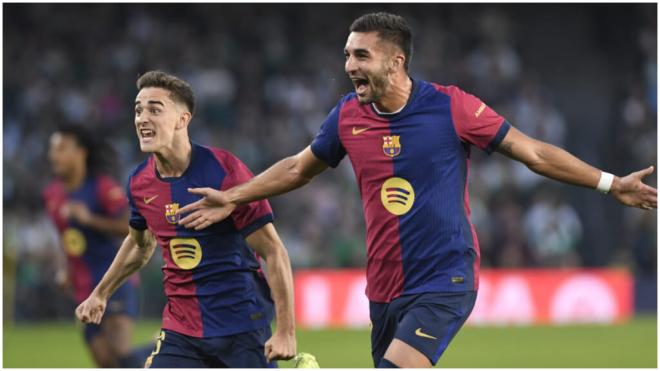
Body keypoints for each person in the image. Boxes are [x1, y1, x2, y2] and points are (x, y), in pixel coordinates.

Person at [176, 12, 658, 368]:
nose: (349, 65)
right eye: (346, 54)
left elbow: (532, 152)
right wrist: (234, 196)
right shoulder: (346, 116)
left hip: (444, 276)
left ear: (396, 61)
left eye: (361, 55)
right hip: (384, 286)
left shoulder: (453, 108)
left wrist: (609, 182)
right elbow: (299, 168)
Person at [74, 70, 297, 368]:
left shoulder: (224, 170)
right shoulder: (140, 182)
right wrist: (100, 294)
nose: (142, 118)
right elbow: (140, 244)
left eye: (155, 110)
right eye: (138, 110)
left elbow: (273, 250)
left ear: (182, 119)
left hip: (242, 328)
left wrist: (285, 330)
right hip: (182, 330)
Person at [43, 125, 152, 367]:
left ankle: (170, 349)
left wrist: (90, 219)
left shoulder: (103, 187)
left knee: (121, 356)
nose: (54, 155)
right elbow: (66, 239)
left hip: (115, 280)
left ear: (81, 153)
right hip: (82, 286)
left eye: (61, 148)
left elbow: (130, 227)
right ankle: (162, 347)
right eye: (53, 149)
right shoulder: (52, 194)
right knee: (105, 362)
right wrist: (65, 269)